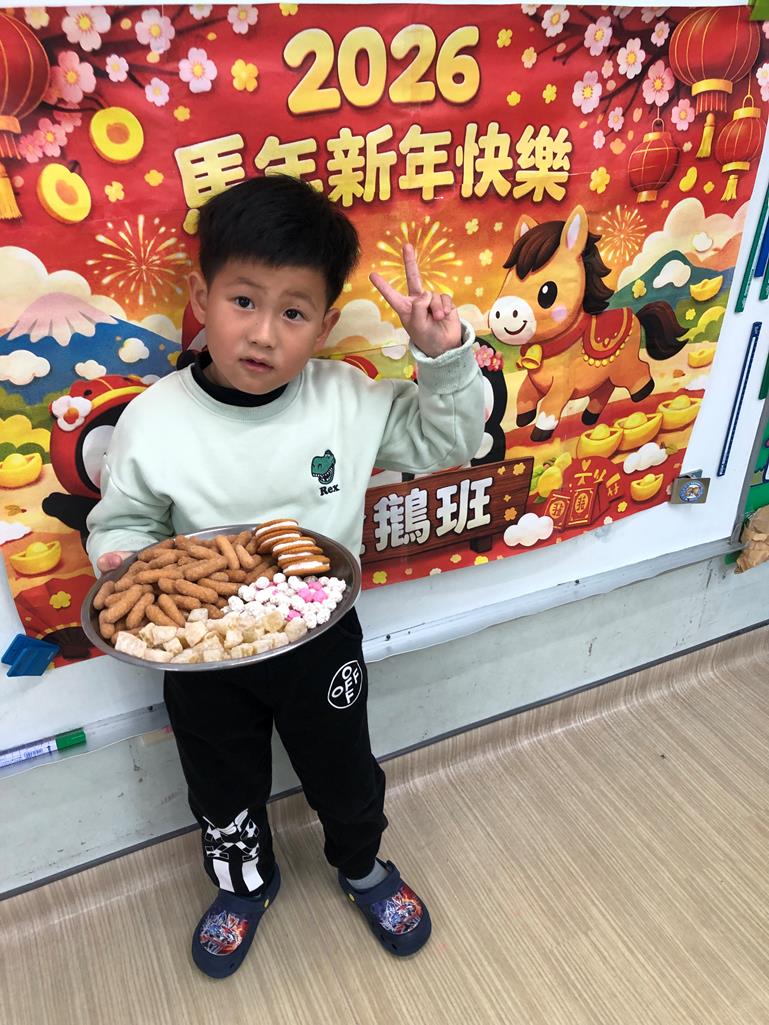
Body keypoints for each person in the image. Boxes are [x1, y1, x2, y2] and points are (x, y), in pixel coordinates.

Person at [86, 174, 484, 979]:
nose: (263, 334)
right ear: (200, 298)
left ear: (325, 323)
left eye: (293, 313)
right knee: (220, 784)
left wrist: (443, 361)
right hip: (203, 653)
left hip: (320, 635)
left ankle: (361, 863)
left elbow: (450, 443)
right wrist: (124, 563)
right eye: (242, 301)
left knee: (344, 768)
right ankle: (244, 884)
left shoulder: (348, 400)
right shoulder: (154, 421)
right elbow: (123, 521)